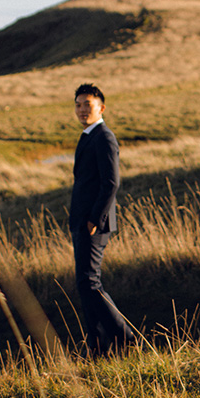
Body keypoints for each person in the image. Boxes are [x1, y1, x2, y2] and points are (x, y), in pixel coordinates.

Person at [70, 83, 133, 357]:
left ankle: (125, 339)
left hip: (95, 223)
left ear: (101, 108)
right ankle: (96, 346)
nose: (83, 109)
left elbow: (111, 183)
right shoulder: (88, 135)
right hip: (83, 221)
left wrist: (94, 218)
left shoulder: (104, 137)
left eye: (88, 104)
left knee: (91, 282)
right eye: (79, 104)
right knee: (85, 285)